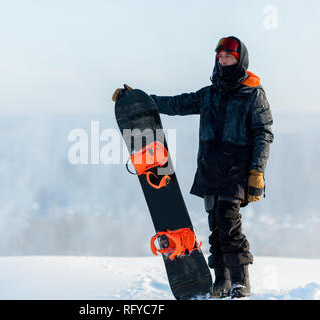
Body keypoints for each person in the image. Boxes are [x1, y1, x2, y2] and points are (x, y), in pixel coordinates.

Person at [112, 36, 273, 299]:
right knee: (215, 226)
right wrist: (138, 100)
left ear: (240, 60)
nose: (223, 61)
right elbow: (177, 104)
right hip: (210, 169)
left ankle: (240, 281)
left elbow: (263, 134)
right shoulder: (209, 94)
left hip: (236, 171)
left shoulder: (252, 94)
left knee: (228, 222)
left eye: (229, 57)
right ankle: (222, 279)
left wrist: (257, 172)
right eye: (220, 56)